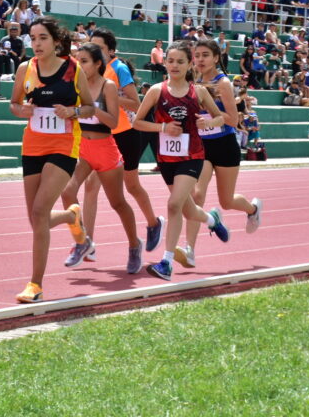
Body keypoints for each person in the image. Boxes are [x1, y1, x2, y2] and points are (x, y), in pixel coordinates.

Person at [8, 17, 96, 302]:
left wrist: (72, 112)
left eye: (42, 38)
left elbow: (90, 107)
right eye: (33, 38)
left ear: (56, 41)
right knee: (36, 219)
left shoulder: (73, 69)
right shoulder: (26, 68)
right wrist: (21, 110)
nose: (36, 43)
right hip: (33, 143)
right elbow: (13, 104)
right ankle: (71, 216)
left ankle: (35, 285)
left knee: (39, 211)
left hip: (64, 143)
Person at [132, 41, 230, 281]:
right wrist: (162, 127)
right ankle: (212, 219)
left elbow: (221, 118)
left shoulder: (199, 92)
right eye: (170, 61)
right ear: (165, 63)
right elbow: (137, 122)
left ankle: (166, 263)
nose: (174, 65)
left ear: (189, 65)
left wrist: (209, 122)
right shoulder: (156, 90)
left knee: (174, 204)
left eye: (180, 61)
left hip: (192, 156)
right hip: (167, 158)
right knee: (187, 209)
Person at [174, 39, 261, 270]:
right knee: (196, 194)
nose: (200, 59)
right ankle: (190, 251)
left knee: (227, 201)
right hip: (201, 147)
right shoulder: (191, 80)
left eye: (205, 55)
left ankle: (253, 209)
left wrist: (211, 121)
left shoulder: (222, 83)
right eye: (197, 55)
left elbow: (233, 119)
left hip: (224, 145)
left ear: (215, 58)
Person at [59, 43, 141, 272]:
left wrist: (92, 109)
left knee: (118, 203)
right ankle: (82, 241)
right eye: (77, 60)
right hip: (84, 149)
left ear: (97, 64)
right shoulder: (75, 85)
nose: (79, 65)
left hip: (105, 150)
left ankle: (135, 245)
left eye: (84, 61)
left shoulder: (108, 86)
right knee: (67, 192)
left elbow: (113, 122)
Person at [89, 29, 164, 251]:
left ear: (111, 50)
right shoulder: (89, 70)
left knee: (131, 185)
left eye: (99, 48)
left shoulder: (119, 69)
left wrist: (111, 97)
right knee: (91, 186)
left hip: (126, 134)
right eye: (91, 46)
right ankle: (86, 242)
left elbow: (136, 103)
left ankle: (153, 223)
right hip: (103, 134)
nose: (94, 51)